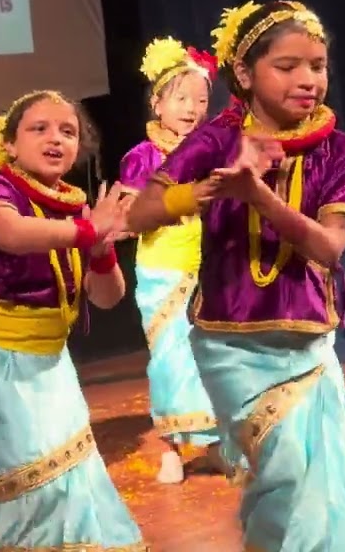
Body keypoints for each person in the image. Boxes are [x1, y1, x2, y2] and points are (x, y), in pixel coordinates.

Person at [127, 0, 345, 551]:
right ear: (244, 74)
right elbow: (141, 212)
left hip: (308, 346)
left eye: (317, 66)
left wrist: (258, 196)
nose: (308, 80)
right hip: (229, 346)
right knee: (288, 474)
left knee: (316, 486)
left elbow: (328, 248)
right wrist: (202, 190)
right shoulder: (215, 141)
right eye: (287, 66)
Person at [0, 90, 147, 551]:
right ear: (10, 144)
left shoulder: (74, 207)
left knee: (70, 476)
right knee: (32, 480)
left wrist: (101, 251)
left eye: (68, 131)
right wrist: (88, 230)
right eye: (38, 128)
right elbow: (10, 233)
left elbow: (107, 298)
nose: (55, 139)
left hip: (52, 363)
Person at [119, 37, 223, 484]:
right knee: (170, 360)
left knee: (214, 356)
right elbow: (130, 218)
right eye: (181, 99)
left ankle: (216, 444)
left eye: (200, 100)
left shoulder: (214, 149)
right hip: (163, 270)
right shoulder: (142, 157)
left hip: (212, 265)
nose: (192, 109)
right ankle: (170, 446)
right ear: (157, 103)